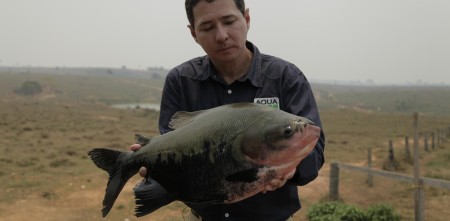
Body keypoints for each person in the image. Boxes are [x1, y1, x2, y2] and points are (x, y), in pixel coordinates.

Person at [130, 0, 325, 220]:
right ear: (194, 33)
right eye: (207, 27)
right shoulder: (180, 81)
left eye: (229, 21)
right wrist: (156, 169)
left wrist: (290, 170)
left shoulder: (286, 78)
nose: (221, 35)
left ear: (247, 19)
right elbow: (173, 149)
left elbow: (314, 156)